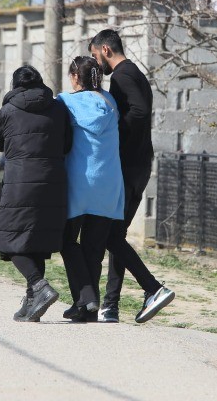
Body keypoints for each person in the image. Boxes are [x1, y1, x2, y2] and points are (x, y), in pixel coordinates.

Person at [88, 29, 175, 324]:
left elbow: (138, 112)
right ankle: (110, 306)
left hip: (128, 168)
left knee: (111, 235)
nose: (94, 61)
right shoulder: (134, 73)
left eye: (94, 55)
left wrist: (114, 134)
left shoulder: (122, 76)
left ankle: (153, 288)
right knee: (116, 235)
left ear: (105, 50)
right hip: (139, 166)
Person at [0, 65, 73, 322]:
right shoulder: (59, 108)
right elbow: (68, 143)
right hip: (53, 182)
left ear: (15, 86)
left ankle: (39, 286)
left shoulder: (8, 111)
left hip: (20, 183)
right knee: (36, 242)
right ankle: (31, 302)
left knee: (10, 238)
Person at [56, 56, 124, 322]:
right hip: (108, 183)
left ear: (75, 77)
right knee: (94, 249)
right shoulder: (110, 102)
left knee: (66, 241)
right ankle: (88, 310)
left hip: (78, 181)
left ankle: (84, 299)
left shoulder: (65, 101)